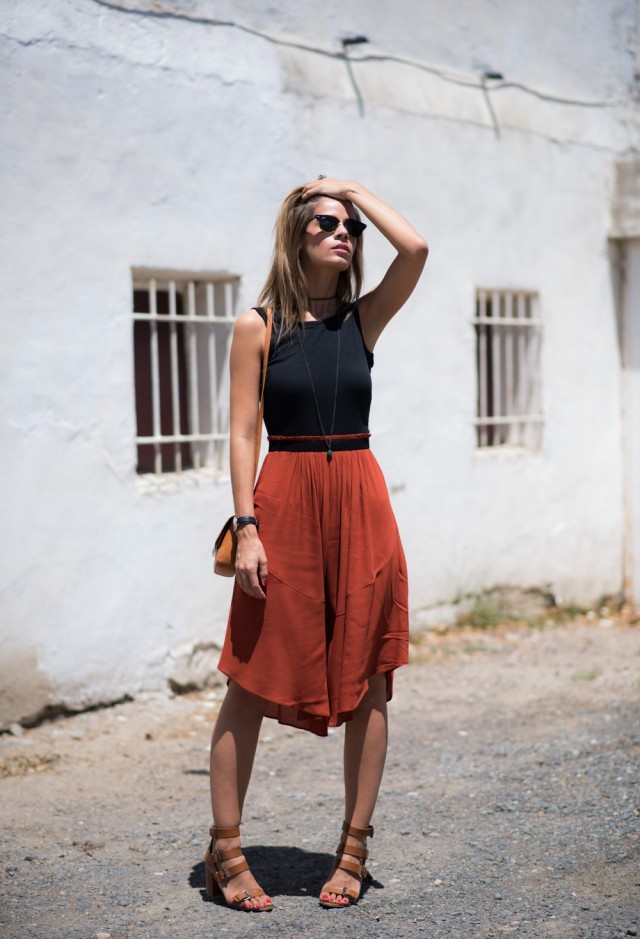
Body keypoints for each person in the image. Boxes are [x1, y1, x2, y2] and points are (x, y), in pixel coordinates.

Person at [205, 178, 428, 912]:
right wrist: (246, 529)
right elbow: (241, 431)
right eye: (328, 222)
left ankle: (354, 845)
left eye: (352, 226)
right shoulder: (257, 326)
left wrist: (354, 188)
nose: (344, 232)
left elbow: (417, 247)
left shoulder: (364, 320)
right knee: (249, 676)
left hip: (362, 504)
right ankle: (228, 851)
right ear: (296, 236)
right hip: (285, 506)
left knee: (370, 679)